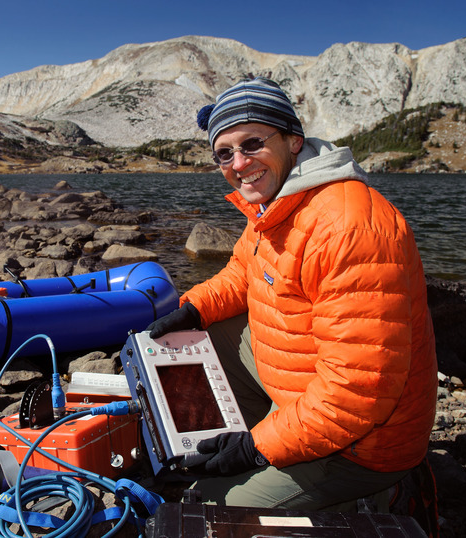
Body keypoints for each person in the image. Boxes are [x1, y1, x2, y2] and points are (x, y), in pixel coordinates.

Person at [146, 77, 438, 511]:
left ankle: (383, 492)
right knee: (206, 333)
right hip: (310, 391)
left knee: (204, 508)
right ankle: (261, 434)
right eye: (225, 153)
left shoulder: (348, 225)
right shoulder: (277, 202)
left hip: (365, 443)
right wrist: (193, 310)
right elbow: (244, 271)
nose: (239, 163)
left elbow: (358, 391)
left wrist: (256, 447)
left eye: (252, 144)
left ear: (293, 141)